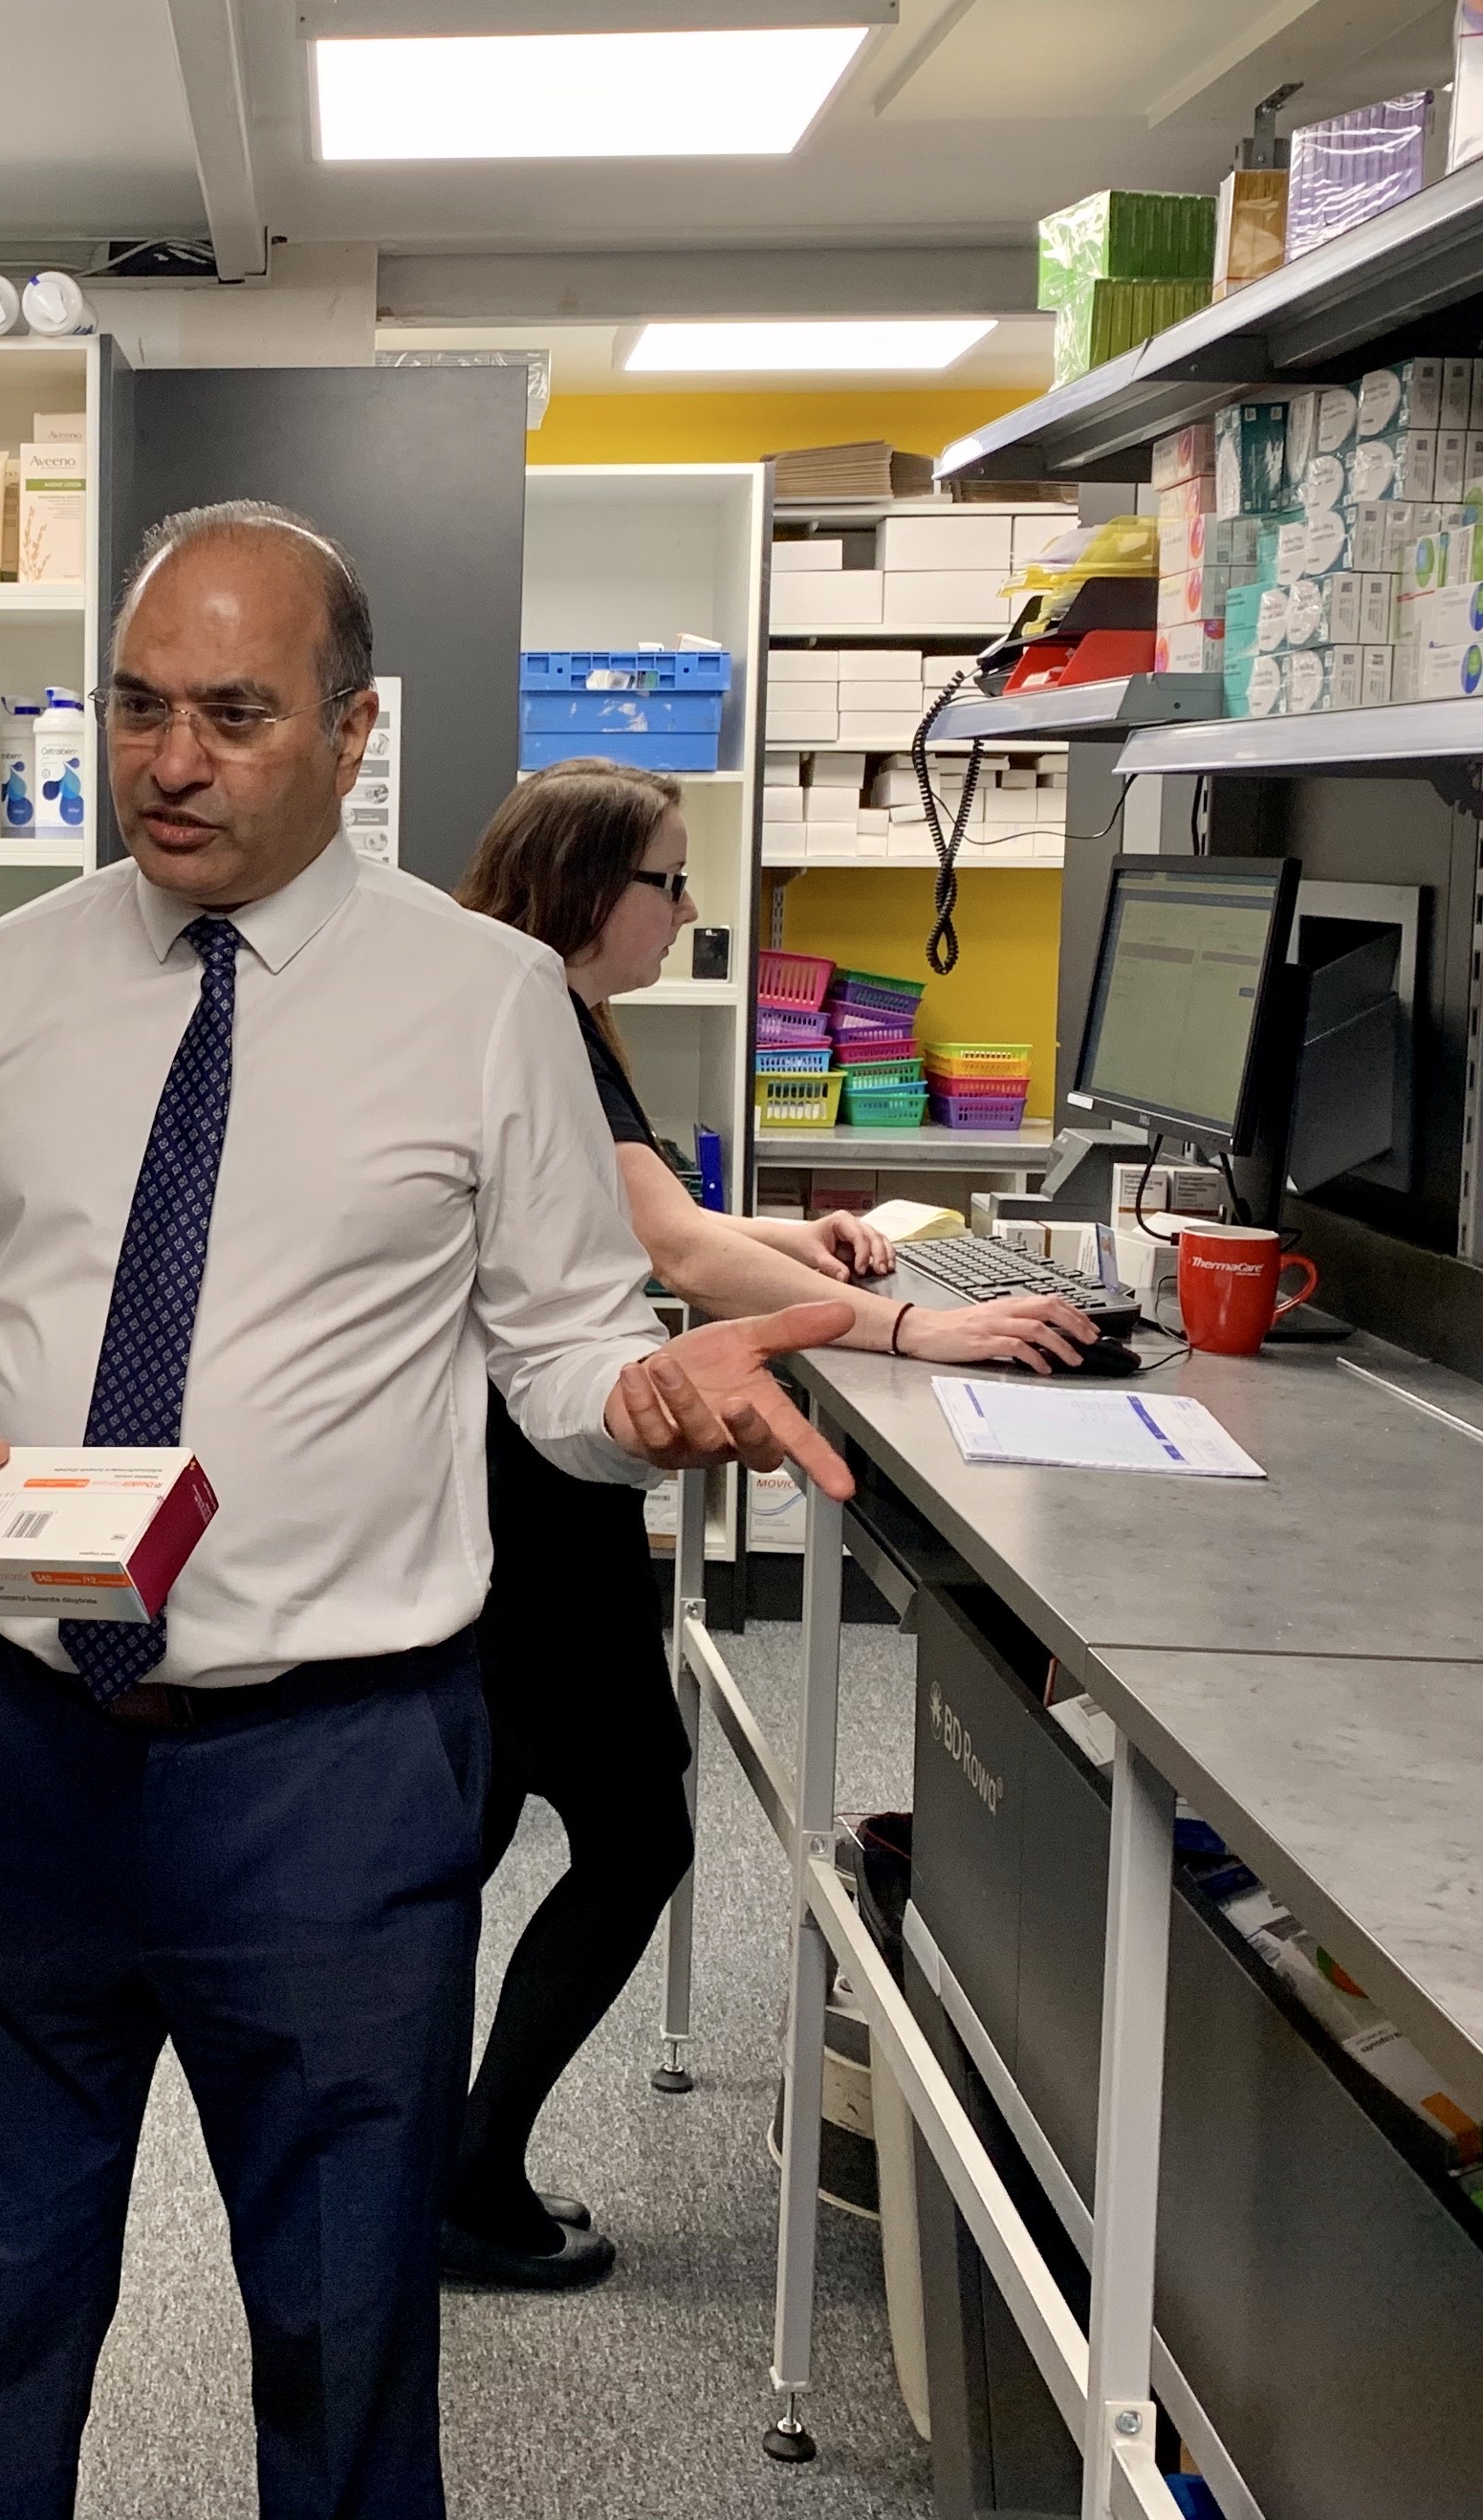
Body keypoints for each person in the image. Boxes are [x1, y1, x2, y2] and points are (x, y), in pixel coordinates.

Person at [0, 502, 858, 2520]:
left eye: (236, 713)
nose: (172, 760)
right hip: (21, 1760)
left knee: (343, 2339)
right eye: (138, 706)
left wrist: (646, 1400)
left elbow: (563, 1353)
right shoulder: (6, 984)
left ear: (354, 727)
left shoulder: (484, 1001)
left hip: (334, 1780)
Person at [436, 759, 1100, 2290]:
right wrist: (916, 1329)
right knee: (622, 1838)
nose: (687, 909)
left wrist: (790, 1239)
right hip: (530, 1498)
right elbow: (670, 1248)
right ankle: (454, 2186)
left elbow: (642, 1217)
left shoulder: (541, 1008)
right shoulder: (537, 1015)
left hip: (508, 1482)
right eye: (668, 880)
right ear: (588, 885)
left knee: (486, 1834)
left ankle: (414, 2170)